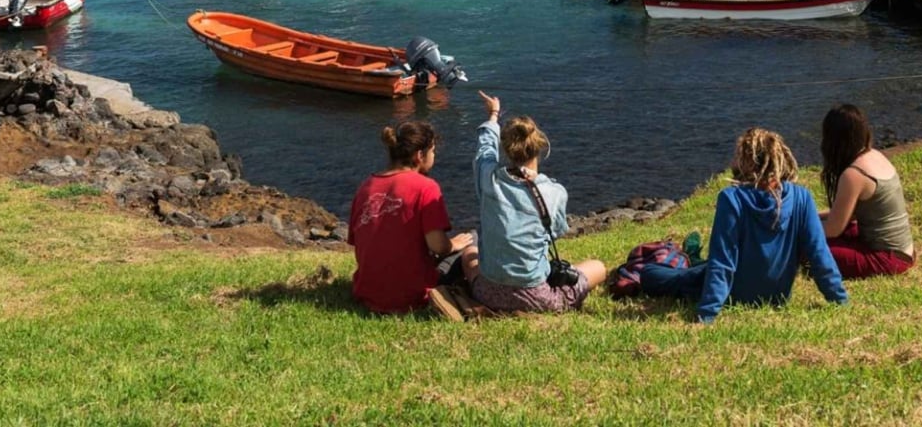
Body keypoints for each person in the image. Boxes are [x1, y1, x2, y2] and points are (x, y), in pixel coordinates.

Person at [638, 128, 847, 323]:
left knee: (650, 273)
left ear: (747, 161)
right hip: (777, 296)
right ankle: (690, 259)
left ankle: (683, 259)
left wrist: (707, 313)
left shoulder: (732, 199)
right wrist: (839, 299)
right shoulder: (802, 197)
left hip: (733, 293)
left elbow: (723, 262)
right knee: (701, 268)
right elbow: (820, 255)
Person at [460, 91, 606, 316]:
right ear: (540, 148)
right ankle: (523, 310)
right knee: (598, 267)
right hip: (535, 297)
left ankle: (496, 308)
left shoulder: (488, 179)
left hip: (487, 292)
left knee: (469, 250)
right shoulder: (554, 192)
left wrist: (493, 115)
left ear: (507, 150)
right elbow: (554, 232)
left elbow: (484, 150)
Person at [347, 121, 473, 315]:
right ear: (419, 155)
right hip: (412, 296)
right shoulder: (426, 187)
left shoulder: (366, 187)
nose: (435, 156)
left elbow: (359, 240)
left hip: (367, 292)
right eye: (433, 151)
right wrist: (454, 244)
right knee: (472, 239)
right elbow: (438, 247)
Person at [818, 104, 915, 279]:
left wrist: (799, 227)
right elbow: (849, 215)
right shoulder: (875, 155)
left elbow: (833, 229)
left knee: (809, 246)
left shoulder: (853, 174)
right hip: (904, 251)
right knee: (830, 233)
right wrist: (814, 215)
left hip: (887, 258)